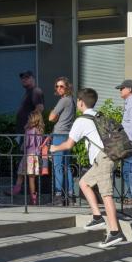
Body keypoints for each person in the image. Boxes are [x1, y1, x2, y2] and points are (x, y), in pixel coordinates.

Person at [49, 88, 127, 249]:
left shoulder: (81, 120)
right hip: (106, 157)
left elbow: (69, 144)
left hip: (103, 158)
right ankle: (97, 217)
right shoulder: (98, 115)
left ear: (81, 102)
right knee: (84, 183)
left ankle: (114, 232)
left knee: (106, 195)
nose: (77, 102)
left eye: (77, 100)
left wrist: (54, 148)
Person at [6, 110, 46, 204]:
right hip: (35, 156)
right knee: (29, 177)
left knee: (22, 174)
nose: (28, 120)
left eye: (29, 119)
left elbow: (28, 143)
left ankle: (22, 192)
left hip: (29, 156)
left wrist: (23, 143)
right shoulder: (40, 131)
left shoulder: (29, 130)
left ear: (33, 120)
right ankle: (33, 197)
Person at [48, 76, 76, 204]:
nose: (59, 88)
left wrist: (54, 114)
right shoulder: (72, 100)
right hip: (68, 135)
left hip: (59, 135)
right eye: (57, 86)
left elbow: (51, 117)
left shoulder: (63, 100)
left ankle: (59, 195)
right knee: (66, 166)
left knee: (58, 166)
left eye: (61, 86)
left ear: (67, 87)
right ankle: (70, 195)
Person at [15, 70, 44, 141]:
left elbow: (40, 109)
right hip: (25, 131)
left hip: (30, 132)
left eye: (26, 77)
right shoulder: (28, 92)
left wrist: (28, 125)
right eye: (22, 78)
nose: (24, 79)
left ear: (33, 79)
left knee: (29, 152)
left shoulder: (36, 91)